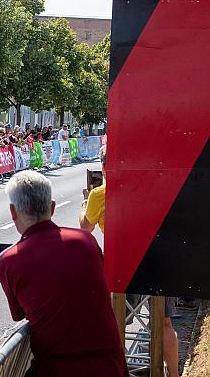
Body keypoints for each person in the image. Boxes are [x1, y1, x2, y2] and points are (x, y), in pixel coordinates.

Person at [0, 170, 127, 376]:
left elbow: (20, 313)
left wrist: (1, 273)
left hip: (57, 368)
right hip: (110, 365)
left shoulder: (8, 262)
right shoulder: (86, 241)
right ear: (52, 207)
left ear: (13, 212)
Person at [79, 146, 179, 377]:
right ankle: (173, 374)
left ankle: (118, 370)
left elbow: (85, 228)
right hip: (159, 261)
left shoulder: (99, 194)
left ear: (104, 166)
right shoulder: (147, 185)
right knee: (164, 324)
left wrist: (85, 205)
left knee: (113, 326)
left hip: (124, 267)